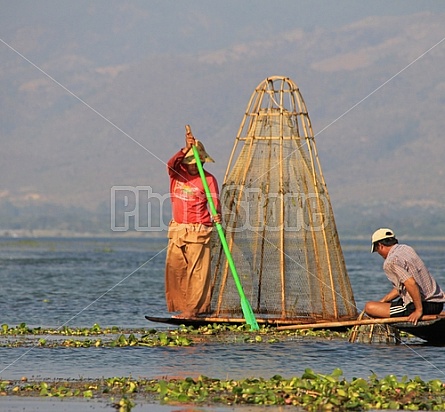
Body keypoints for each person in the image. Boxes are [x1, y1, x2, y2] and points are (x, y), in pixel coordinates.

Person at [164, 127, 221, 319]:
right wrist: (185, 147)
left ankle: (194, 310)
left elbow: (214, 202)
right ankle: (183, 308)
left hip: (199, 229)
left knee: (198, 271)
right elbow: (171, 162)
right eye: (191, 162)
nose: (194, 166)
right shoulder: (176, 174)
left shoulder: (208, 179)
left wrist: (216, 215)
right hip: (178, 229)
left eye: (198, 162)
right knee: (176, 268)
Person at [365, 228, 445, 325]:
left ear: (380, 246)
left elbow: (411, 283)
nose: (379, 253)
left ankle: (417, 310)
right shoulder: (406, 249)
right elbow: (404, 285)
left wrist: (418, 310)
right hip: (438, 304)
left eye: (377, 250)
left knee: (369, 307)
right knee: (381, 305)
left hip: (421, 306)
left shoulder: (390, 262)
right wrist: (384, 300)